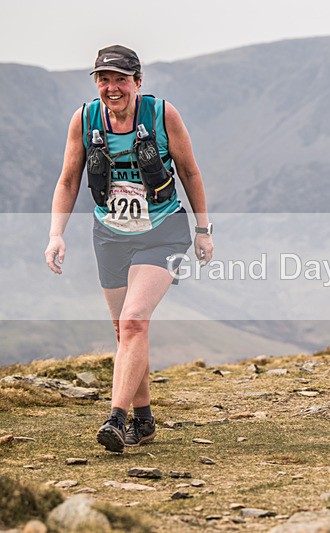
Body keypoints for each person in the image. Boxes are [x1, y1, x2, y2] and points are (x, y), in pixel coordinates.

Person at [44, 45, 213, 453]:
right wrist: (56, 233)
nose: (112, 87)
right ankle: (144, 418)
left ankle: (115, 419)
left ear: (138, 82)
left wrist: (203, 229)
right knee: (124, 331)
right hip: (109, 235)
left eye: (121, 79)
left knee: (135, 320)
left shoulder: (161, 114)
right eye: (104, 79)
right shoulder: (84, 120)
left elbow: (189, 171)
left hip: (163, 231)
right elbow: (68, 180)